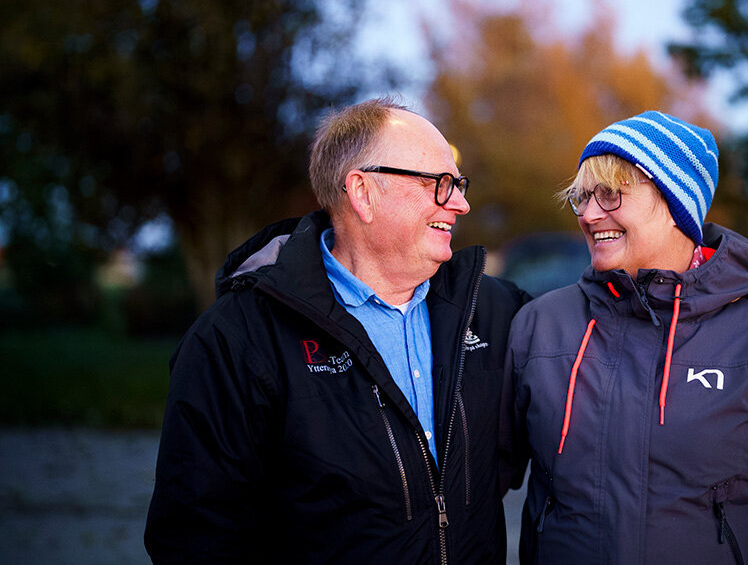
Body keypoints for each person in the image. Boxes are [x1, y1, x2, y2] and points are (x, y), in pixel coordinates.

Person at [145, 98, 529, 563]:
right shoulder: (237, 337)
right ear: (363, 193)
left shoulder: (495, 310)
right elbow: (194, 535)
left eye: (459, 184)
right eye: (440, 184)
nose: (462, 204)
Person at [500, 111, 748, 563]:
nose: (590, 214)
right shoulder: (540, 326)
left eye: (611, 194)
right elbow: (469, 482)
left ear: (677, 204)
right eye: (582, 197)